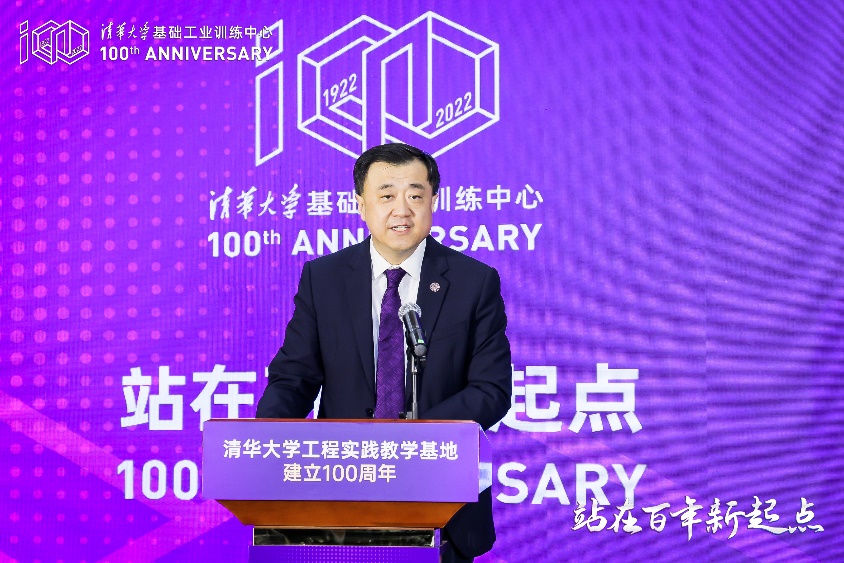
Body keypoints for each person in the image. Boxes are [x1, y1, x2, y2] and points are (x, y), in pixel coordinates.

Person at [256, 142, 512, 562]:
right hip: (339, 494)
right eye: (387, 195)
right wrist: (264, 445)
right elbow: (293, 378)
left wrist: (405, 443)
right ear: (361, 204)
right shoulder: (324, 278)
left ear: (434, 201)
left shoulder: (474, 282)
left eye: (415, 195)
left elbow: (491, 390)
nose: (401, 210)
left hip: (441, 500)